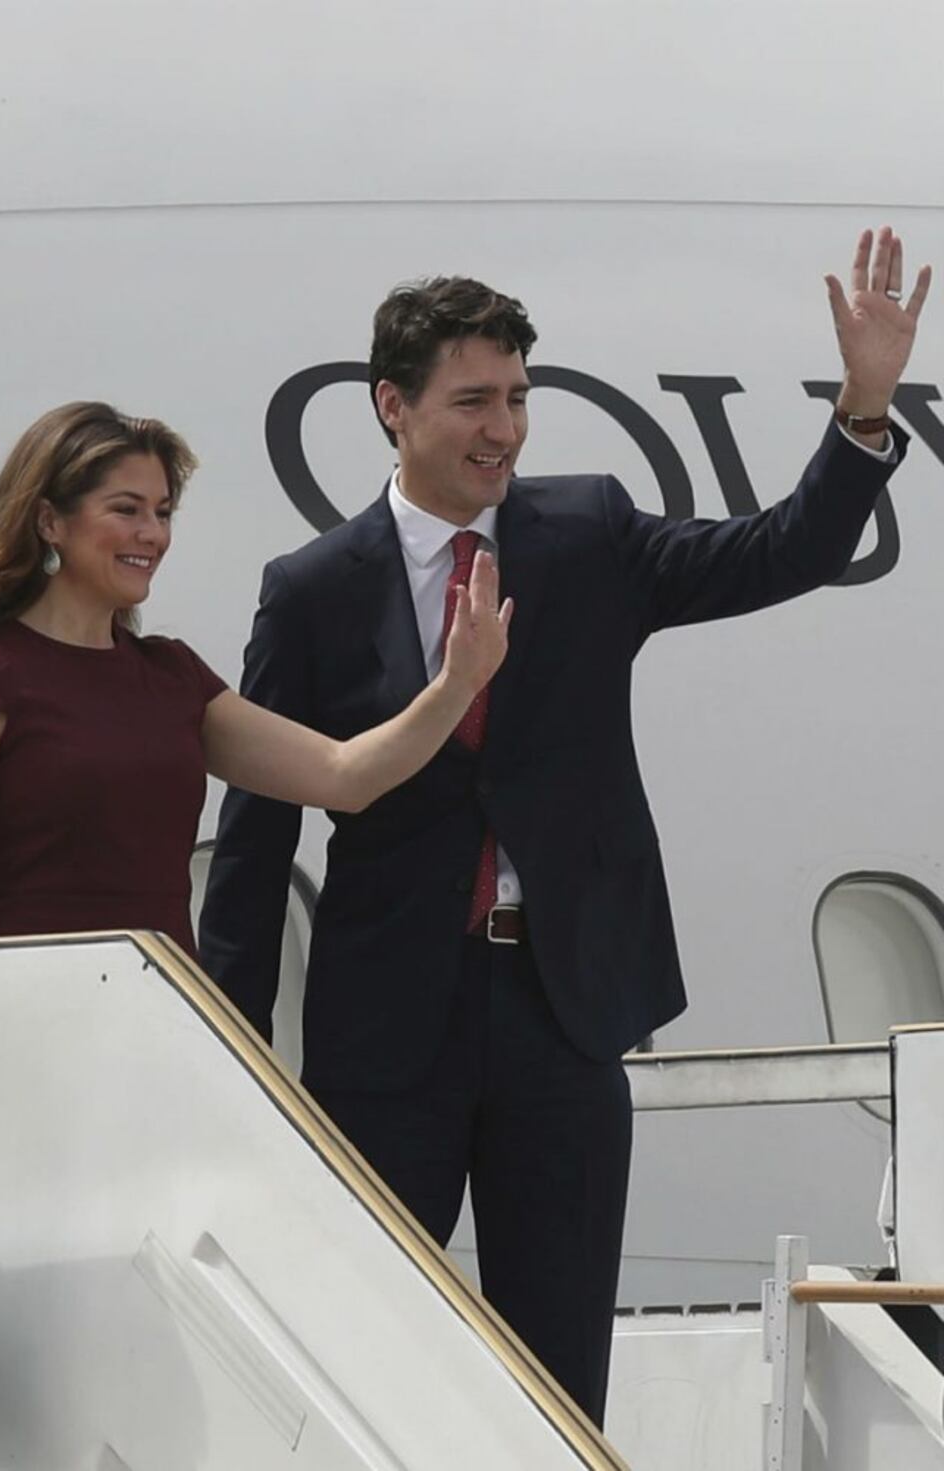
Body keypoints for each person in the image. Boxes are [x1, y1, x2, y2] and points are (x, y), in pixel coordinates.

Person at [198, 227, 932, 1424]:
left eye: (520, 398)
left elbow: (783, 550)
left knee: (558, 1375)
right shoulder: (315, 589)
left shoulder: (585, 532)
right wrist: (225, 1048)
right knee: (371, 1354)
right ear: (392, 405)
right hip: (387, 1032)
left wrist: (861, 410)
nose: (504, 428)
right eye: (473, 400)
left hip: (562, 1015)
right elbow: (258, 834)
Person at [0, 401, 510, 948]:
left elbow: (343, 776)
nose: (152, 534)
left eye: (162, 512)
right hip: (40, 1010)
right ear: (50, 521)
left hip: (168, 1014)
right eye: (126, 509)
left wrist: (457, 683)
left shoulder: (171, 674)